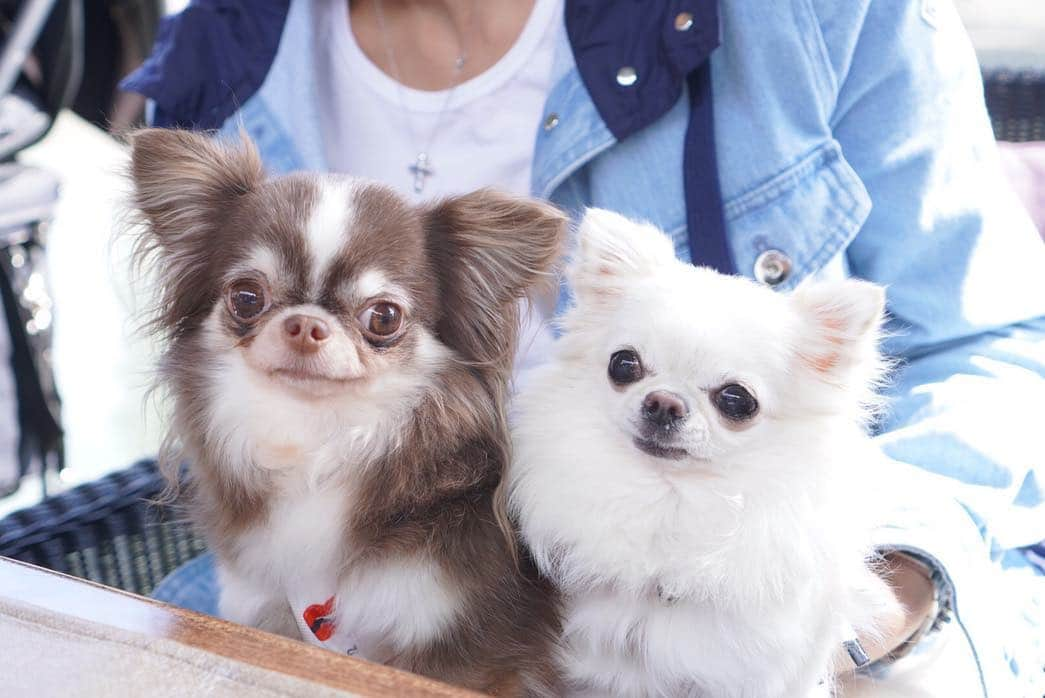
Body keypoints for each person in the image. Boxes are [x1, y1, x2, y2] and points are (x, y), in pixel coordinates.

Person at [122, 1, 1045, 694]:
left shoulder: (811, 17)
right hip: (335, 619)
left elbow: (994, 343)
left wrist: (882, 591)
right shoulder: (224, 49)